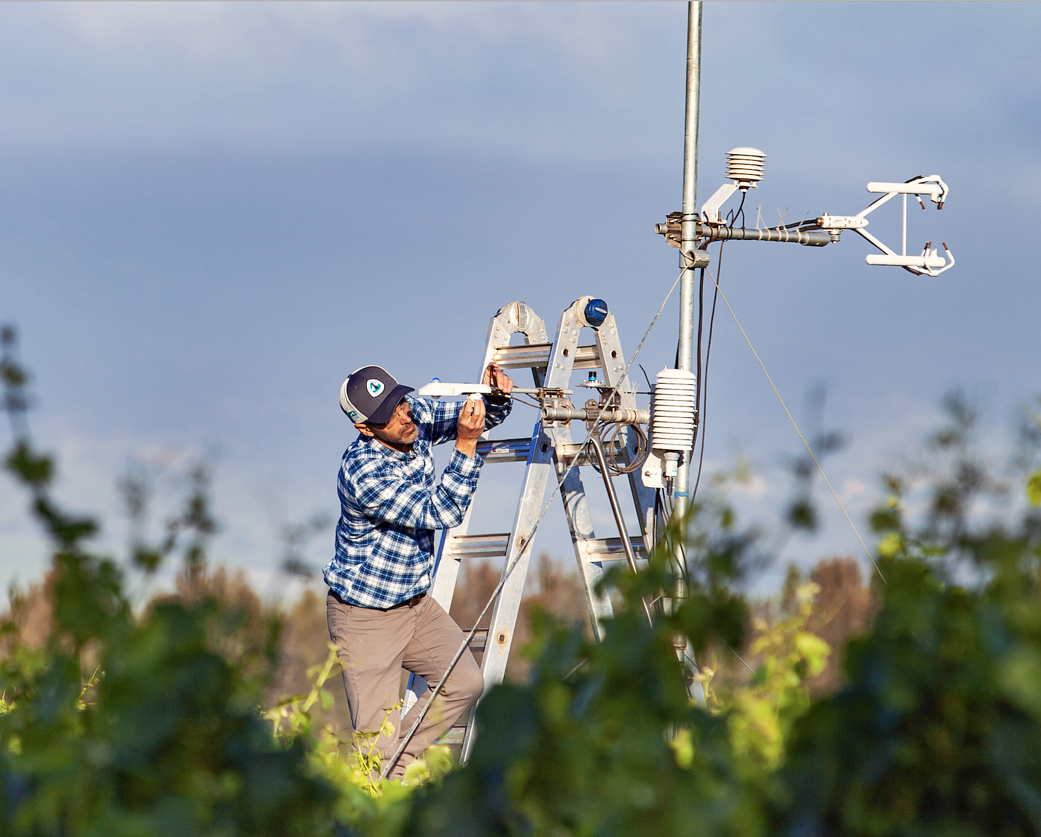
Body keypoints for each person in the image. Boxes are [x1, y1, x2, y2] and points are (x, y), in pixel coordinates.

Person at [324, 361, 514, 780]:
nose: (404, 415)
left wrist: (494, 398)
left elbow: (477, 416)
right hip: (366, 617)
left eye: (400, 401)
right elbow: (441, 510)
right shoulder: (362, 472)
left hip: (413, 605)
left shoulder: (412, 416)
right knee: (373, 748)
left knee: (465, 683)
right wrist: (465, 447)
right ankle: (381, 794)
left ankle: (401, 764)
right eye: (388, 414)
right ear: (365, 428)